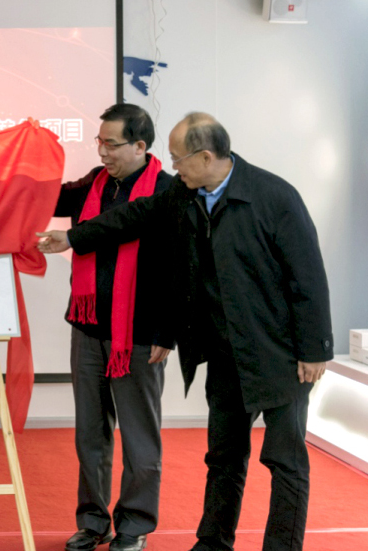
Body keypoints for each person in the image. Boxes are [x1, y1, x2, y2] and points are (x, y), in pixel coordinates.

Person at [38, 112, 332, 551]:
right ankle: (212, 543)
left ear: (206, 157)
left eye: (179, 159)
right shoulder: (186, 192)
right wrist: (74, 237)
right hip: (225, 351)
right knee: (223, 458)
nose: (173, 167)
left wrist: (315, 349)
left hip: (279, 354)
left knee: (285, 462)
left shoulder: (274, 197)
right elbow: (134, 215)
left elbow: (307, 277)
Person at [55, 104, 174, 551]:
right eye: (99, 142)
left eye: (111, 144)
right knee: (90, 433)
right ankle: (93, 521)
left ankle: (135, 525)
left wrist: (167, 331)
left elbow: (179, 270)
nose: (102, 152)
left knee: (139, 436)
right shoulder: (94, 183)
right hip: (88, 328)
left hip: (140, 336)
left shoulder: (166, 191)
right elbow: (49, 198)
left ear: (140, 146)